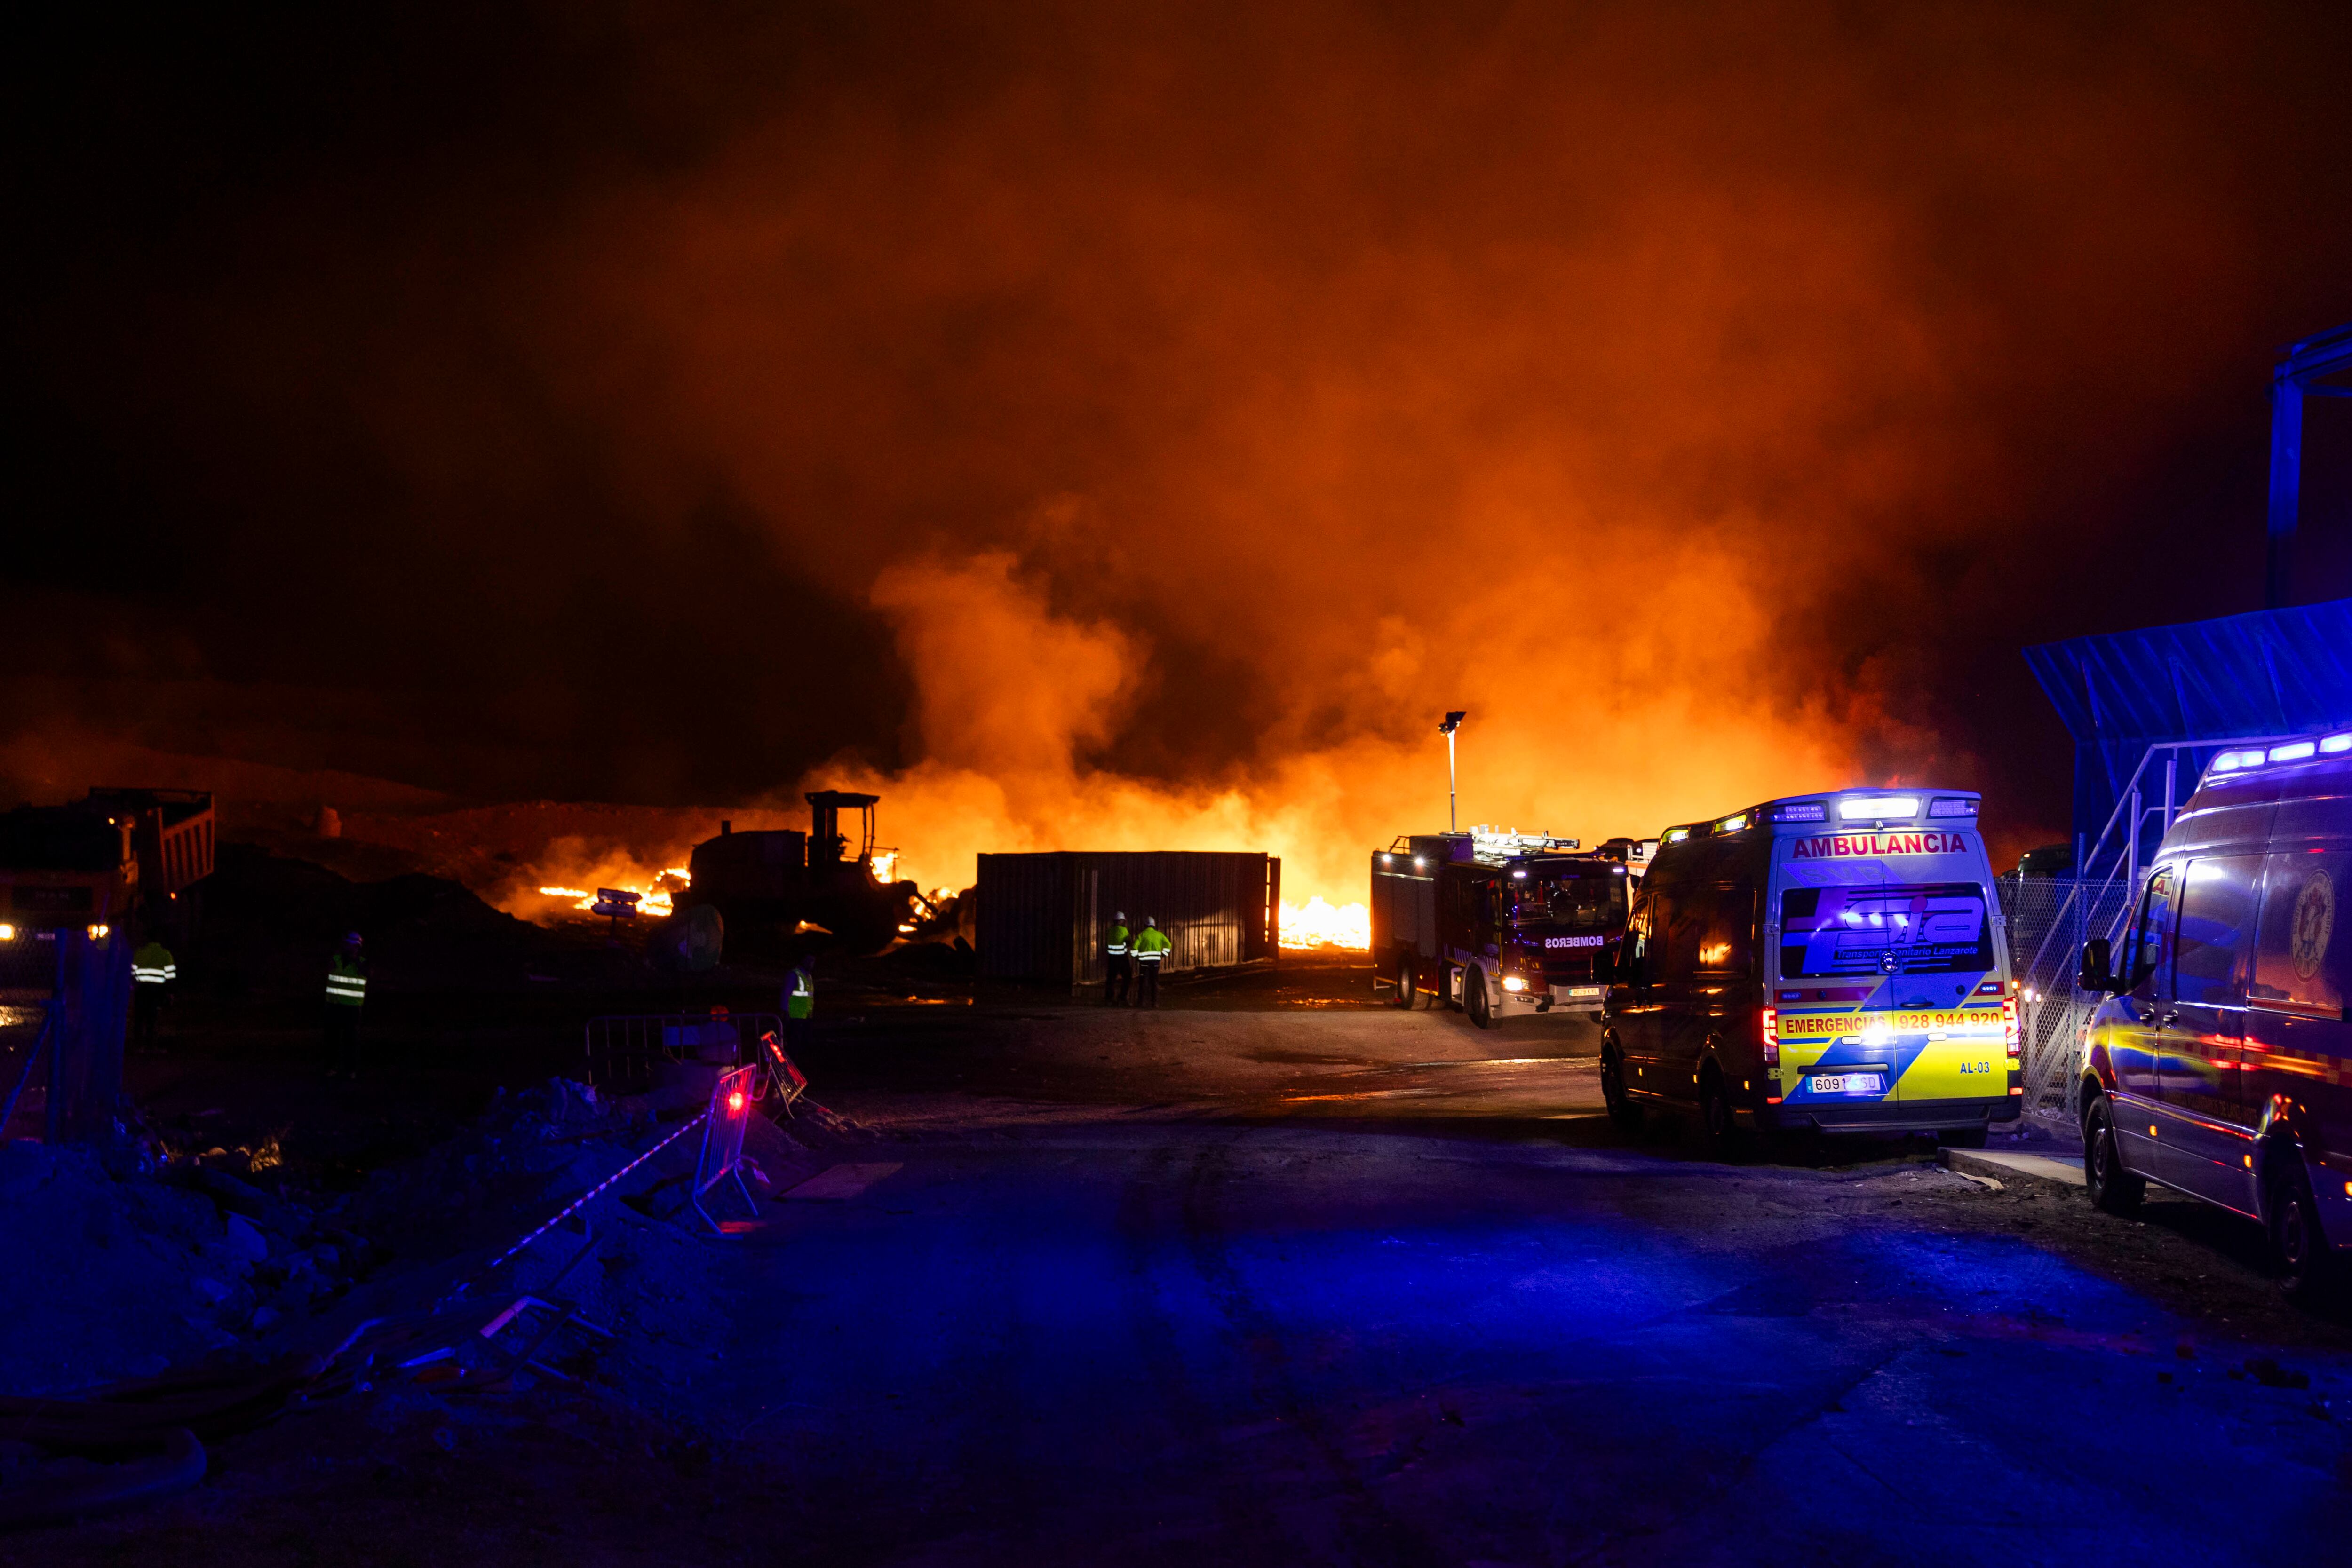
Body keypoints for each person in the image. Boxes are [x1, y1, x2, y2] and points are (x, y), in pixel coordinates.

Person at [324, 932, 367, 1079]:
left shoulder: (363, 963)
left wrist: (357, 962)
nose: (352, 948)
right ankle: (332, 1068)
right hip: (334, 1006)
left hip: (352, 1008)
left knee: (351, 1041)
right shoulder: (335, 960)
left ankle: (351, 1070)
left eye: (355, 946)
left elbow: (369, 973)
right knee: (332, 1040)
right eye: (350, 945)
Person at [131, 935, 176, 1053]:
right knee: (153, 1019)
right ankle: (152, 1046)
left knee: (139, 1019)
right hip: (157, 991)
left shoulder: (139, 953)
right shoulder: (166, 954)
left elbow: (133, 973)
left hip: (141, 990)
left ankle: (138, 1046)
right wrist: (170, 992)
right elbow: (170, 976)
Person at [1132, 916, 1172, 1008]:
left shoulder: (1141, 935)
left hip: (1144, 963)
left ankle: (1141, 1002)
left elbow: (1134, 948)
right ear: (1154, 926)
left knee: (1143, 983)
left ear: (1145, 926)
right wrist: (1163, 954)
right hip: (1155, 963)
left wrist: (1137, 957)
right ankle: (1155, 1003)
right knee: (1154, 982)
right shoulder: (1160, 935)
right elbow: (1168, 945)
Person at [783, 954, 816, 1057]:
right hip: (795, 1015)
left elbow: (808, 996)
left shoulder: (809, 976)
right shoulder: (795, 975)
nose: (812, 964)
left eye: (813, 962)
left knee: (804, 1041)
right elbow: (786, 994)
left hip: (806, 1015)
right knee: (794, 1042)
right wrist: (785, 1011)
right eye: (810, 961)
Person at [1103, 911, 1132, 1006]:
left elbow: (1107, 945)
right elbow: (1129, 942)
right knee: (1127, 977)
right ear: (1121, 921)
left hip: (1112, 958)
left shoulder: (1110, 931)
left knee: (1111, 978)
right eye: (1123, 921)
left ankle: (1109, 998)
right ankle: (1122, 998)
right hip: (1122, 958)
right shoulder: (1124, 930)